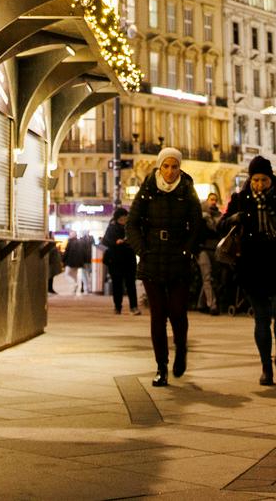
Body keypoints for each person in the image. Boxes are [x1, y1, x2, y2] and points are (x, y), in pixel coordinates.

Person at [219, 155, 276, 386]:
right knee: (261, 319)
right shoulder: (240, 199)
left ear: (271, 178)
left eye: (263, 180)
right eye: (255, 180)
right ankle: (266, 366)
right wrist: (233, 218)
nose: (259, 184)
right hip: (253, 265)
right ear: (250, 179)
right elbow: (221, 224)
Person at [127, 147, 207, 387]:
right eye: (166, 166)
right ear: (159, 167)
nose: (170, 171)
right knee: (158, 316)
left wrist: (187, 249)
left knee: (178, 313)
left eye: (174, 166)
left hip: (178, 260)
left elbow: (197, 225)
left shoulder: (187, 190)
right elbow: (131, 225)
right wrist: (143, 250)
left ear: (179, 167)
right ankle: (161, 367)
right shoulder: (148, 190)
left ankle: (181, 349)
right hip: (152, 260)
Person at [102, 207, 139, 315]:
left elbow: (136, 240)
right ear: (117, 218)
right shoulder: (112, 228)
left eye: (125, 218)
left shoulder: (131, 228)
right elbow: (106, 241)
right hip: (115, 260)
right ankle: (117, 307)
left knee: (131, 284)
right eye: (122, 219)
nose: (124, 221)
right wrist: (116, 241)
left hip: (129, 259)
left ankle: (134, 306)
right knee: (117, 284)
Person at [196, 196, 223, 314]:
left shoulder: (219, 217)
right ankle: (212, 305)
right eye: (211, 199)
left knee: (211, 277)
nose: (213, 201)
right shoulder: (201, 217)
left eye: (215, 199)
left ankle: (201, 304)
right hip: (202, 248)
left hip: (214, 248)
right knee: (207, 277)